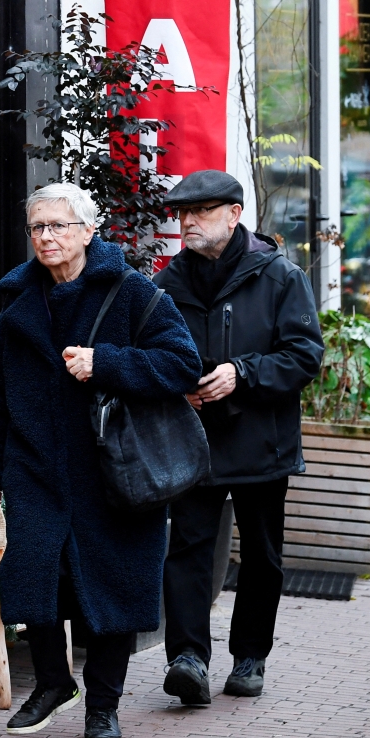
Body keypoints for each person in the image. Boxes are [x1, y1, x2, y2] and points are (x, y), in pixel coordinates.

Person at [0, 182, 202, 738]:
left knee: (113, 587)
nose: (47, 237)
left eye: (59, 226)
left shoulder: (132, 293)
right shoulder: (18, 303)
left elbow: (182, 365)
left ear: (87, 232)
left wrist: (107, 362)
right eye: (38, 228)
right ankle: (52, 682)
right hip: (37, 468)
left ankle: (103, 707)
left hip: (114, 470)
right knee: (32, 577)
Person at [154, 170, 324, 704]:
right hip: (192, 442)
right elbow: (150, 356)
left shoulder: (280, 276)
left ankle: (250, 657)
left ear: (233, 215)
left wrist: (242, 373)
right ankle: (187, 658)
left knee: (263, 556)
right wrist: (177, 386)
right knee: (186, 551)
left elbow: (304, 355)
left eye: (201, 211)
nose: (188, 222)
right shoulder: (165, 284)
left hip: (260, 440)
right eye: (183, 213)